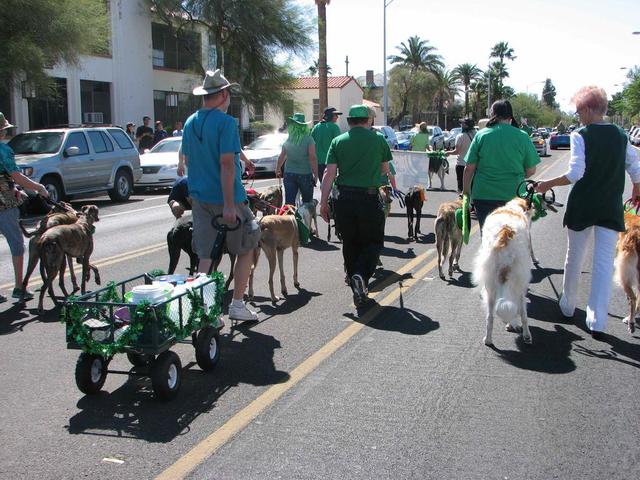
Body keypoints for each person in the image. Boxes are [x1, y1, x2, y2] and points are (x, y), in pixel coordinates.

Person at [535, 86, 640, 339]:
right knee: (603, 265)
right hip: (609, 207)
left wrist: (547, 184)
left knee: (575, 257)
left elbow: (574, 173)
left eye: (579, 110)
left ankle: (568, 305)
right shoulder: (619, 135)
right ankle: (597, 320)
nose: (577, 115)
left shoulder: (580, 135)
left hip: (583, 206)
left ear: (590, 109)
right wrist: (636, 189)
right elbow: (635, 166)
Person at [181, 69, 260, 321]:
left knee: (206, 254)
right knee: (248, 243)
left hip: (199, 198)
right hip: (228, 199)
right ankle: (237, 304)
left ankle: (204, 310)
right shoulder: (226, 123)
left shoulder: (189, 122)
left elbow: (189, 158)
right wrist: (228, 204)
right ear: (224, 94)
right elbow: (227, 164)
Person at [320, 105, 396, 307]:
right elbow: (385, 168)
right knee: (373, 242)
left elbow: (329, 174)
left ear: (350, 121)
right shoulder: (378, 139)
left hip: (343, 199)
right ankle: (361, 275)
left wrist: (323, 203)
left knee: (350, 242)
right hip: (369, 198)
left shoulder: (338, 141)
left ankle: (356, 283)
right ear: (368, 121)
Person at [462, 100, 540, 230]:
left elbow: (469, 168)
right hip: (514, 196)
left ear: (492, 114)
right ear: (510, 116)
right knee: (511, 238)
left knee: (488, 238)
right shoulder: (522, 136)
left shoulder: (481, 135)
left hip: (483, 196)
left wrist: (466, 193)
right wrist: (518, 175)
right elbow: (531, 170)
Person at [0, 113, 49, 303]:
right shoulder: (4, 151)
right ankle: (19, 286)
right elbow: (16, 176)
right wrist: (38, 187)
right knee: (17, 244)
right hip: (4, 204)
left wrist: (16, 187)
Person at [275, 112, 318, 206]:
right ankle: (304, 220)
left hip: (289, 173)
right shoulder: (309, 139)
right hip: (305, 173)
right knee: (307, 203)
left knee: (289, 204)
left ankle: (289, 220)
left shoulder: (289, 139)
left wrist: (278, 169)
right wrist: (316, 174)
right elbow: (312, 157)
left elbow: (282, 156)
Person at [446, 117, 475, 195]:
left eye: (462, 123)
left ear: (466, 125)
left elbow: (457, 151)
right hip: (474, 165)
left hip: (461, 164)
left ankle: (463, 205)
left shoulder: (460, 136)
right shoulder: (477, 134)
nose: (461, 125)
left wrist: (448, 152)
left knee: (461, 189)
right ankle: (472, 205)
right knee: (472, 187)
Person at [311, 107, 342, 181]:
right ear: (330, 116)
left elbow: (311, 145)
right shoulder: (334, 127)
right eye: (335, 115)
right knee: (331, 186)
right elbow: (339, 145)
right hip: (331, 162)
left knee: (323, 185)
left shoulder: (316, 127)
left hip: (318, 163)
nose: (337, 117)